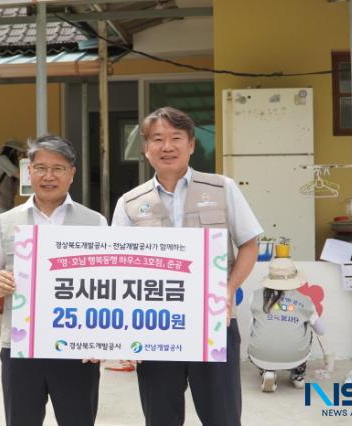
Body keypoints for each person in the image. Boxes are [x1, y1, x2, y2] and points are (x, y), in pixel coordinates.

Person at [112, 106, 262, 426]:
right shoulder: (129, 203)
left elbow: (250, 243)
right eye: (158, 139)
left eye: (176, 138)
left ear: (191, 144)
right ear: (146, 149)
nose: (167, 146)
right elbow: (119, 268)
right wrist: (124, 331)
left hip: (214, 323)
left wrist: (229, 287)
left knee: (222, 415)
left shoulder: (223, 188)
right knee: (161, 417)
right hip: (155, 328)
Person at [0, 134, 107, 426]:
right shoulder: (6, 222)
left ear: (72, 174)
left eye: (58, 168)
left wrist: (103, 339)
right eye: (41, 168)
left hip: (78, 349)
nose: (49, 176)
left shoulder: (95, 222)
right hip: (20, 348)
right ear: (29, 171)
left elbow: (107, 288)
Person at [248, 257, 325, 392]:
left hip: (260, 354)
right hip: (296, 356)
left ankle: (267, 371)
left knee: (260, 329)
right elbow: (321, 330)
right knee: (308, 329)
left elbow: (252, 327)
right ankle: (298, 375)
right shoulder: (306, 301)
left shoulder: (254, 296)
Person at [0, 139, 27, 224]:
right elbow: (21, 175)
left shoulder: (11, 163)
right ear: (13, 151)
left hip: (7, 204)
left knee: (8, 235)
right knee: (1, 235)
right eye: (19, 152)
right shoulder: (2, 160)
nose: (19, 155)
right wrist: (26, 159)